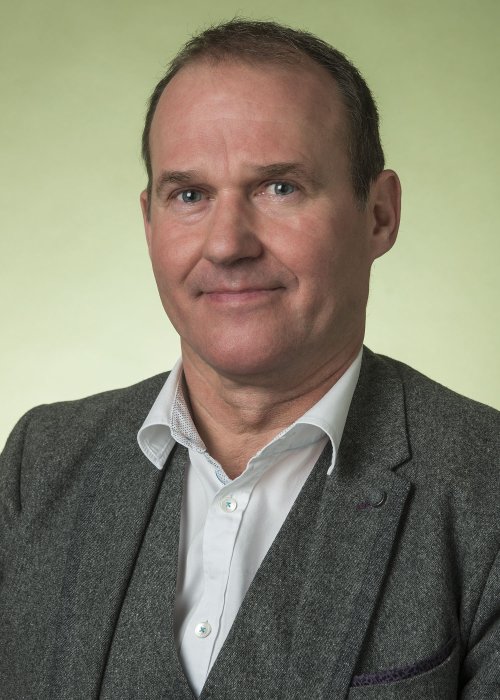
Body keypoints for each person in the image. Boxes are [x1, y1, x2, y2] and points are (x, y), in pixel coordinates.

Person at [0, 18, 498, 700]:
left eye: (279, 188)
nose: (228, 244)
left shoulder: (485, 485)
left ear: (379, 214)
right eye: (190, 196)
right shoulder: (40, 464)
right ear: (149, 222)